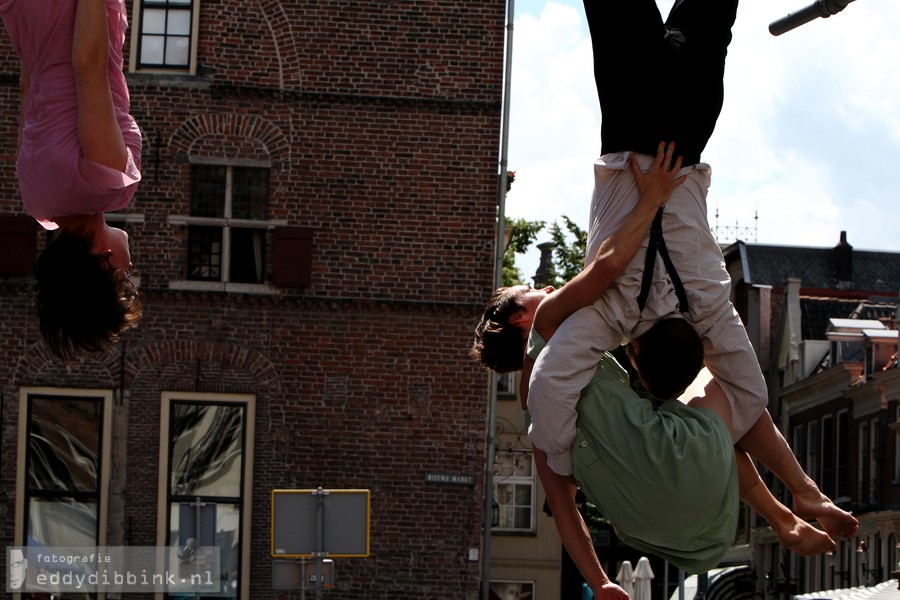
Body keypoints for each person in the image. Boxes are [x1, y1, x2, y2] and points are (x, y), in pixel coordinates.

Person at [0, 0, 143, 359]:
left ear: (102, 258)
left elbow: (87, 65)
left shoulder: (106, 182)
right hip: (29, 20)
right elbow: (27, 86)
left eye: (123, 277)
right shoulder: (37, 203)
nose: (130, 269)